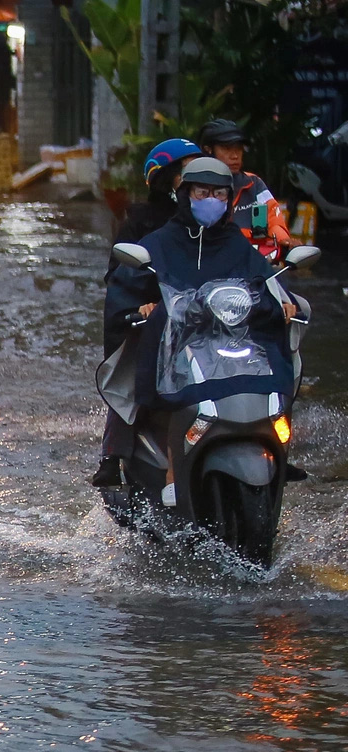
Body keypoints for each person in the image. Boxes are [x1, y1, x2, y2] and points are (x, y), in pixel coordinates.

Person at [101, 156, 301, 503]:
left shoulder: (236, 244)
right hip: (178, 348)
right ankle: (168, 468)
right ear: (185, 194)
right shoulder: (159, 242)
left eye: (220, 194)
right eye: (203, 192)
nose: (212, 200)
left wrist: (282, 301)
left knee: (276, 358)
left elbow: (263, 280)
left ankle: (275, 445)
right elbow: (126, 286)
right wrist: (142, 308)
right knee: (151, 377)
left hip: (232, 345)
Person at [90, 138, 202, 486]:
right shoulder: (140, 223)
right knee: (133, 371)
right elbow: (119, 276)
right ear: (166, 178)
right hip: (156, 319)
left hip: (202, 316)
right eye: (187, 173)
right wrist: (145, 303)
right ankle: (113, 453)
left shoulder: (210, 223)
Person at [199, 117, 293, 260]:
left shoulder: (253, 183)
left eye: (239, 149)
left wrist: (283, 241)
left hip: (253, 267)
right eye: (227, 149)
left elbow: (273, 219)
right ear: (208, 150)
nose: (235, 156)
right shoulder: (194, 187)